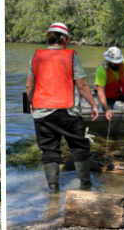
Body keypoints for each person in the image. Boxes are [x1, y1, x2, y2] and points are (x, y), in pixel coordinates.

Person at [26, 22, 99, 193]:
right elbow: (81, 85)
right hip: (69, 112)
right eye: (69, 39)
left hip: (42, 112)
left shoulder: (35, 57)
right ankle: (86, 188)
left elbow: (29, 87)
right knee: (80, 147)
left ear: (49, 38)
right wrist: (93, 104)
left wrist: (31, 104)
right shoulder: (71, 57)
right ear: (65, 39)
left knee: (49, 150)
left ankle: (53, 192)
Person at [94, 47, 124, 121]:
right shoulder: (101, 70)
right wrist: (106, 109)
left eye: (118, 62)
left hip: (122, 92)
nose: (116, 64)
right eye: (114, 62)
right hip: (106, 95)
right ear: (108, 60)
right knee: (108, 113)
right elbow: (101, 93)